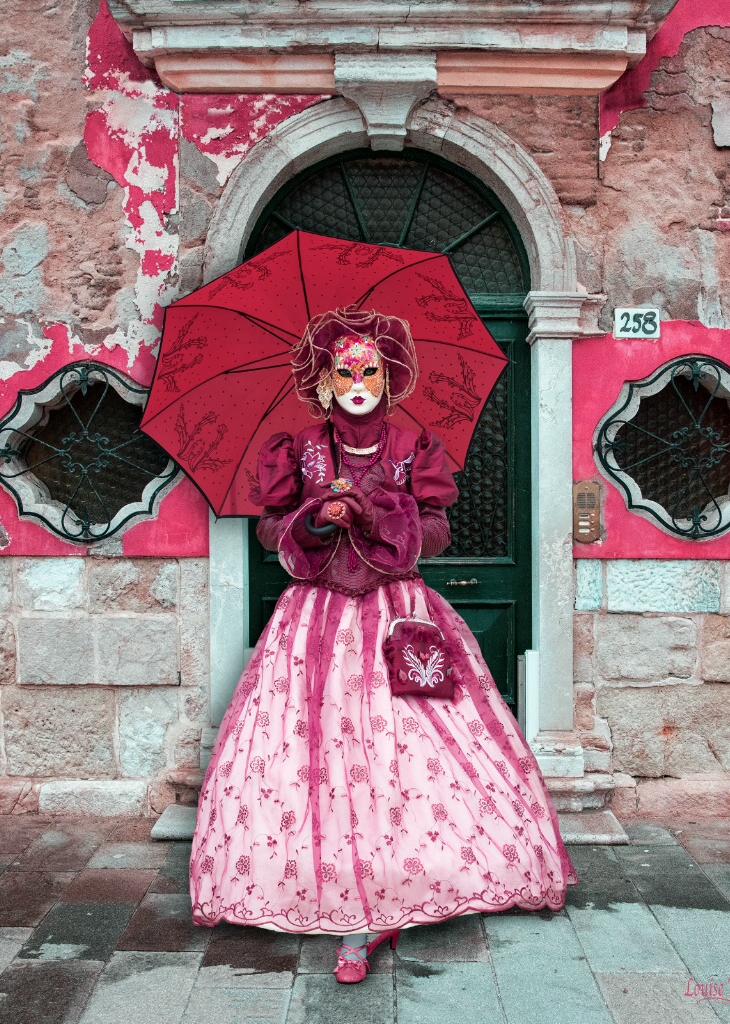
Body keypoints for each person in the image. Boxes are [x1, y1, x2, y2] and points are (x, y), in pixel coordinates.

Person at [190, 306, 577, 984]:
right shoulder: (300, 448)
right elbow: (268, 532)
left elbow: (433, 537)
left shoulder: (411, 447)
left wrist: (373, 514)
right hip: (315, 620)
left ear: (389, 374)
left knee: (414, 746)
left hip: (398, 615)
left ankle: (406, 883)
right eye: (344, 370)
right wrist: (315, 519)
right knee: (318, 749)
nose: (358, 379)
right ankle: (337, 894)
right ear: (324, 379)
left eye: (369, 367)